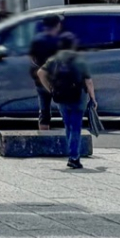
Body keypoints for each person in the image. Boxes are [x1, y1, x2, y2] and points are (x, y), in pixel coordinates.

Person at [41, 33, 96, 170]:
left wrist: (50, 89)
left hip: (61, 97)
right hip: (78, 97)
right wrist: (93, 98)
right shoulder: (79, 60)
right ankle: (74, 157)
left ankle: (72, 154)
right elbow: (88, 81)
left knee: (68, 126)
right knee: (76, 127)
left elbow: (40, 73)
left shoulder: (54, 59)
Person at [28, 14, 64, 130]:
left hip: (40, 80)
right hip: (57, 82)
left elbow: (31, 58)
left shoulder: (36, 40)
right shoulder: (59, 41)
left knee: (44, 113)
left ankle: (44, 135)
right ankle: (69, 135)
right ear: (57, 25)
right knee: (64, 110)